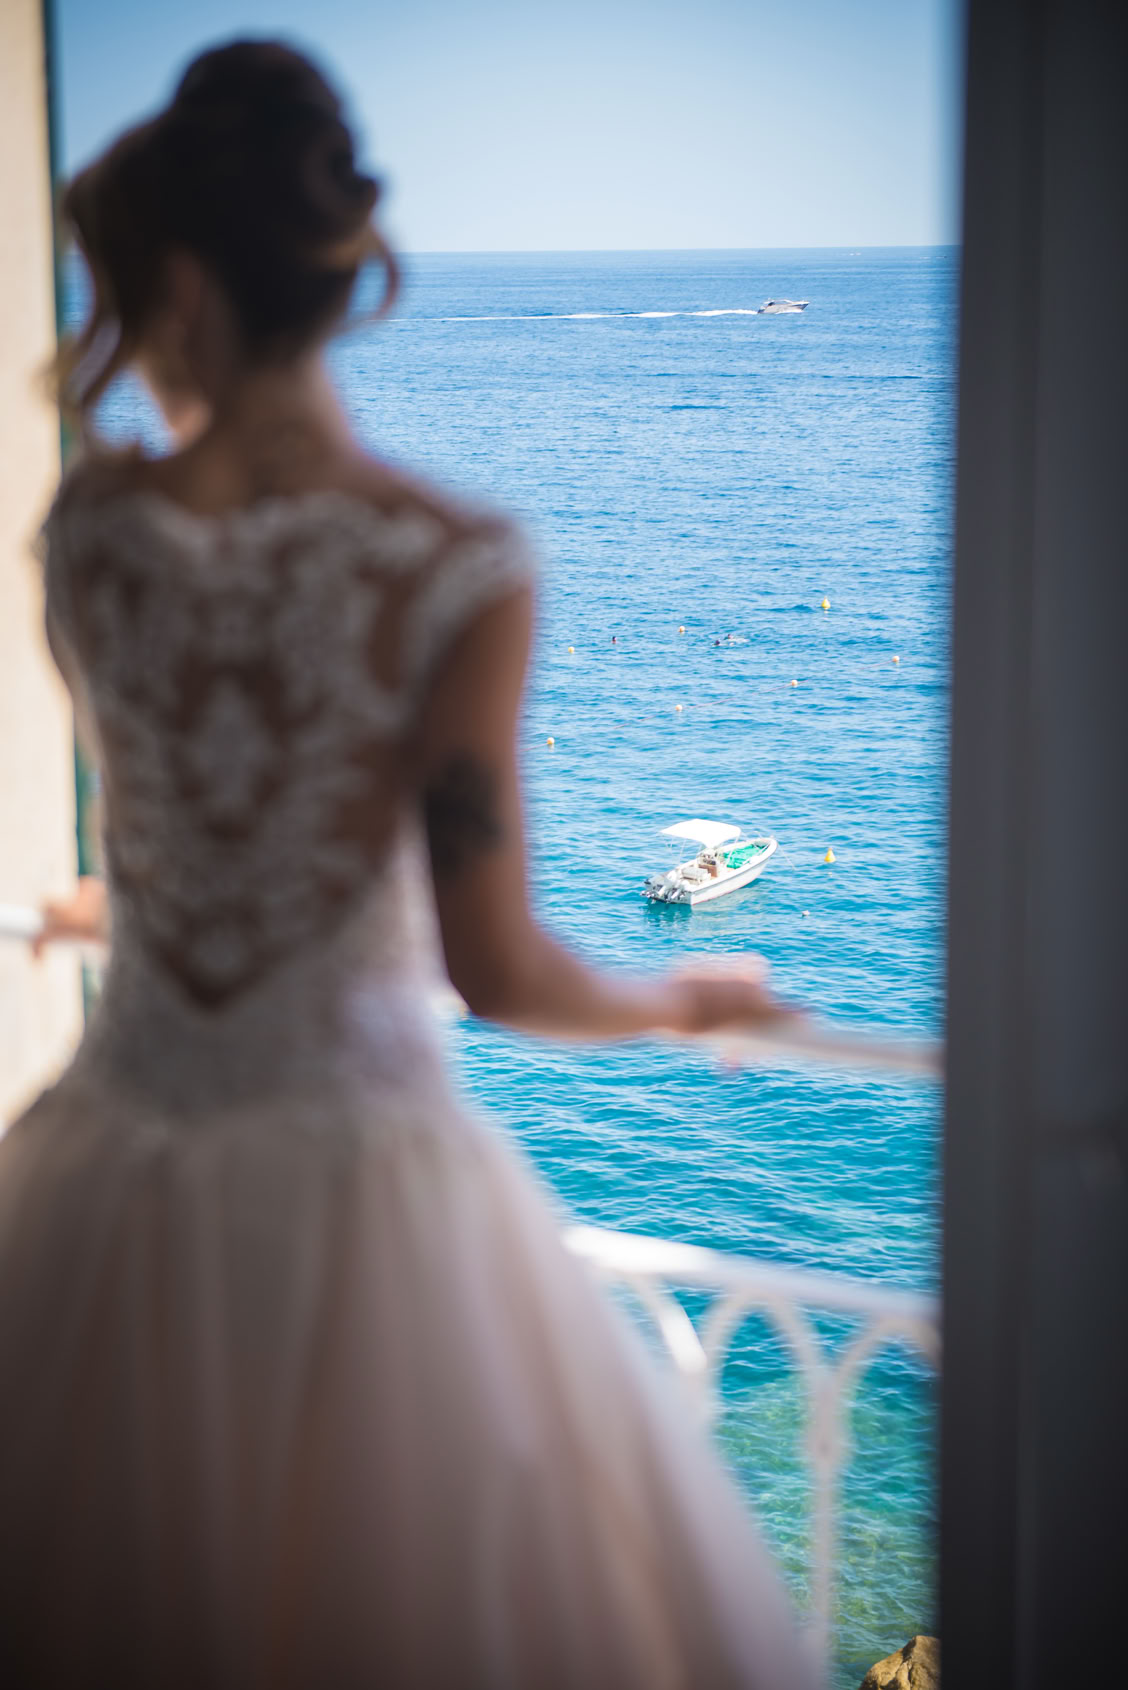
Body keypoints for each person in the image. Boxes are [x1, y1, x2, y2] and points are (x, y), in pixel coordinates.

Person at [0, 40, 816, 1688]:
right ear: (329, 273)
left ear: (168, 286)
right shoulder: (453, 563)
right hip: (353, 1183)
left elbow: (169, 830)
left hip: (109, 1156)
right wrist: (687, 996)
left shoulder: (86, 542)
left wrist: (92, 910)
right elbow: (494, 968)